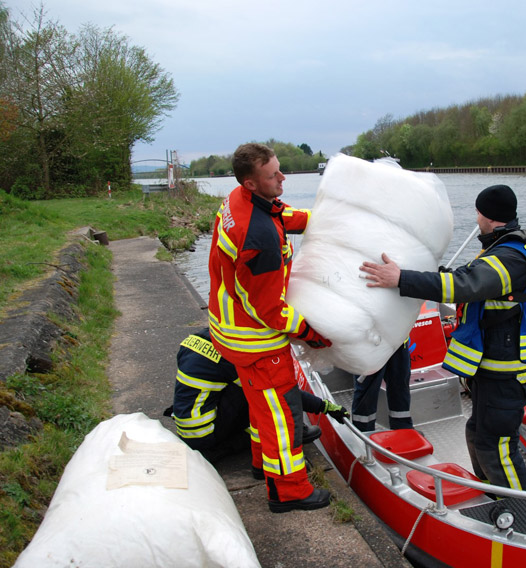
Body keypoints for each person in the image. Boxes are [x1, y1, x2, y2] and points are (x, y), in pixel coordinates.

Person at [360, 184, 526, 492]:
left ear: (485, 215)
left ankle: (521, 511)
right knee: (477, 433)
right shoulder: (499, 247)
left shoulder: (511, 257)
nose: (476, 218)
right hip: (491, 370)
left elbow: (466, 285)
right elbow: (464, 279)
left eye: (477, 212)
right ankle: (491, 495)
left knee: (495, 446)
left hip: (508, 374)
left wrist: (401, 279)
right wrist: (417, 271)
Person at [207, 143, 335, 513]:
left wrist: (316, 220)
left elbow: (279, 214)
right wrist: (311, 332)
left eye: (280, 170)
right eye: (274, 175)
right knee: (280, 417)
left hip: (230, 326)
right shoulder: (259, 239)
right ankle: (289, 492)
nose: (282, 178)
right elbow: (269, 310)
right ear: (251, 182)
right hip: (256, 340)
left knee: (261, 407)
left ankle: (262, 465)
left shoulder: (238, 200)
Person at [165, 327, 349, 471]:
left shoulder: (193, 340)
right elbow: (278, 393)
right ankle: (287, 434)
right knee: (260, 390)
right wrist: (325, 406)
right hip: (206, 434)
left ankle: (292, 429)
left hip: (188, 424)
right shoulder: (229, 355)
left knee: (246, 387)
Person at [351, 341, 412, 431]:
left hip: (398, 341)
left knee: (400, 386)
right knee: (367, 391)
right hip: (371, 344)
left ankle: (403, 429)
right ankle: (363, 433)